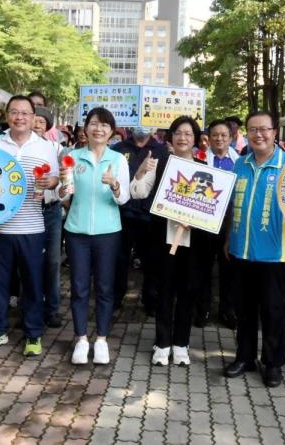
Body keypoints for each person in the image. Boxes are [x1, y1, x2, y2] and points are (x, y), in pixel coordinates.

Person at [0, 96, 60, 357]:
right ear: (7, 116)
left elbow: (56, 182)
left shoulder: (46, 147)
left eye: (25, 113)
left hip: (33, 227)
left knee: (33, 284)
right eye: (14, 112)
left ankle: (33, 334)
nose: (19, 117)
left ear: (34, 116)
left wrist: (51, 184)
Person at [224, 111, 285, 387]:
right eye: (252, 130)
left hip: (277, 255)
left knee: (273, 311)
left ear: (275, 132)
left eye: (264, 129)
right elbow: (230, 206)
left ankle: (273, 363)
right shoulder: (240, 164)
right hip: (242, 251)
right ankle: (244, 357)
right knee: (244, 309)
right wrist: (230, 236)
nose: (258, 135)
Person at [131, 116, 208, 367]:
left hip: (193, 241)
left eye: (188, 133)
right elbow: (138, 192)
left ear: (195, 139)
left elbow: (209, 208)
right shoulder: (160, 163)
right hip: (162, 238)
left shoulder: (204, 170)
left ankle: (182, 344)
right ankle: (162, 343)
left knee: (187, 292)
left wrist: (196, 219)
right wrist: (141, 172)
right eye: (178, 133)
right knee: (164, 291)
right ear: (170, 137)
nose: (182, 137)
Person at [59, 107, 129, 365]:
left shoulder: (118, 160)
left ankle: (101, 339)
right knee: (78, 288)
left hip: (108, 233)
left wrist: (114, 185)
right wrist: (61, 188)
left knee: (104, 287)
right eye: (94, 124)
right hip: (76, 231)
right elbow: (64, 197)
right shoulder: (72, 157)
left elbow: (123, 199)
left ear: (112, 132)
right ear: (85, 129)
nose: (98, 129)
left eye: (104, 125)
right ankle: (80, 338)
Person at [112, 127, 167, 315]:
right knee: (119, 258)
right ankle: (116, 296)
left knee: (151, 260)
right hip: (122, 212)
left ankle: (150, 299)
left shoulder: (162, 151)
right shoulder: (118, 148)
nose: (140, 127)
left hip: (150, 214)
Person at [198, 119, 240, 328]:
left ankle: (227, 310)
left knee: (229, 267)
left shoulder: (240, 160)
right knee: (203, 265)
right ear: (209, 137)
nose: (219, 138)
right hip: (206, 219)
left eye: (224, 135)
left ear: (231, 138)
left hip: (231, 220)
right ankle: (203, 308)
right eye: (215, 134)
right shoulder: (200, 159)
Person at [34, 106, 65, 327]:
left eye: (41, 122)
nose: (36, 125)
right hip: (28, 210)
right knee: (28, 260)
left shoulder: (57, 148)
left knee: (53, 261)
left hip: (52, 210)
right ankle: (30, 307)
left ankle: (52, 309)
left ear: (47, 126)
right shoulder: (18, 148)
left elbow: (66, 179)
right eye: (33, 120)